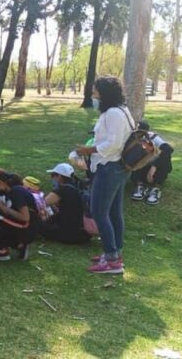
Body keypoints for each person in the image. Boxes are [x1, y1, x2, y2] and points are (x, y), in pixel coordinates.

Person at [75, 76, 133, 274]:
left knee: (99, 211)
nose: (93, 96)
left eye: (96, 92)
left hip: (110, 167)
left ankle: (112, 260)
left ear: (105, 94)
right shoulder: (118, 111)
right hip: (116, 167)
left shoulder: (114, 114)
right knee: (114, 212)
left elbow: (113, 144)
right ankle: (115, 252)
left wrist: (87, 151)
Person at [0, 169, 38, 261]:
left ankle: (1, 251)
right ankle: (19, 245)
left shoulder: (16, 191)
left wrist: (4, 209)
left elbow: (25, 217)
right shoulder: (10, 192)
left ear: (0, 182)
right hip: (25, 227)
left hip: (27, 226)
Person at [40, 163, 92, 245]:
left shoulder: (63, 190)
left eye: (53, 175)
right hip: (83, 233)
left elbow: (42, 203)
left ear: (60, 176)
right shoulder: (77, 187)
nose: (52, 178)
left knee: (38, 226)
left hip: (69, 234)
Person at [130, 120, 174, 206]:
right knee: (138, 152)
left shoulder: (152, 137)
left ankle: (155, 188)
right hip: (140, 168)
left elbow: (168, 149)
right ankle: (140, 185)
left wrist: (153, 167)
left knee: (166, 156)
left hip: (154, 171)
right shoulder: (131, 137)